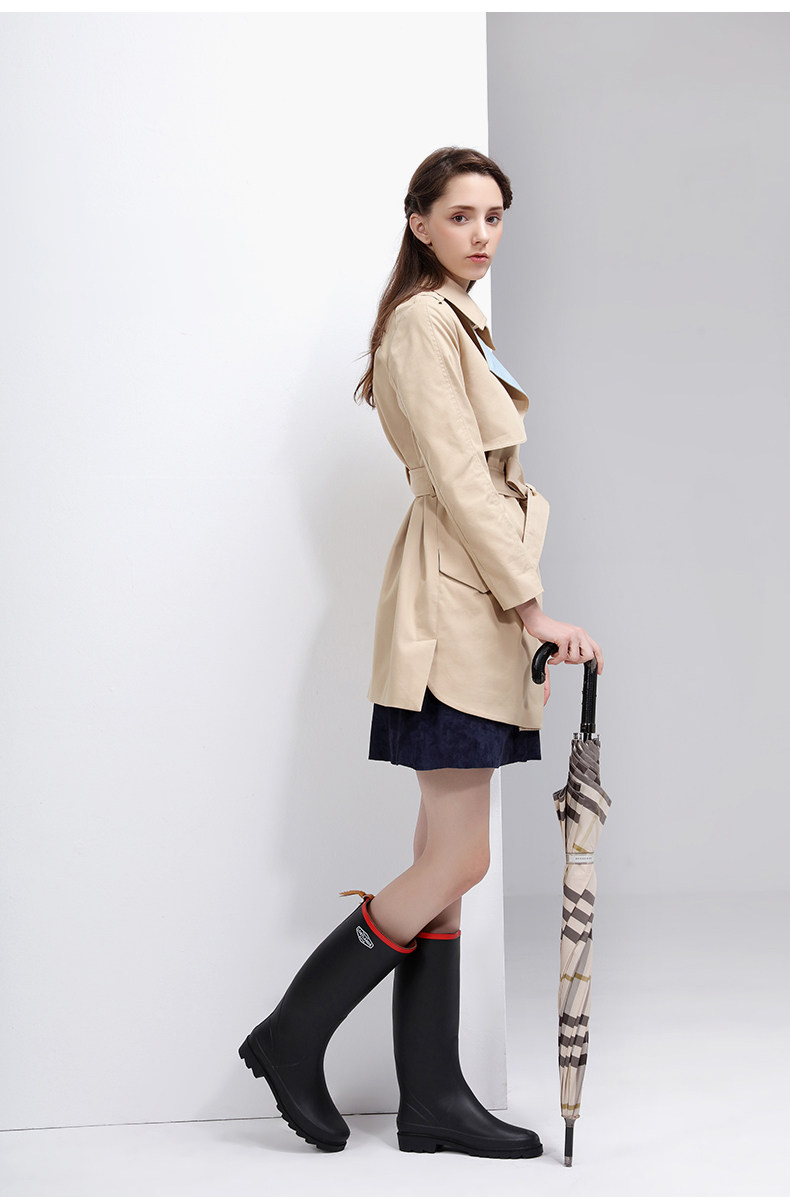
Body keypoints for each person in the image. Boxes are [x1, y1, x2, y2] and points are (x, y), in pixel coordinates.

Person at [238, 146, 604, 1159]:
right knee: (459, 857)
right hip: (453, 612)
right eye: (459, 216)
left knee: (441, 862)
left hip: (467, 603)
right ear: (419, 222)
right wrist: (533, 611)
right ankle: (290, 1034)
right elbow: (457, 479)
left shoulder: (455, 320)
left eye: (494, 216)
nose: (481, 234)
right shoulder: (421, 324)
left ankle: (433, 1099)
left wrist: (515, 610)